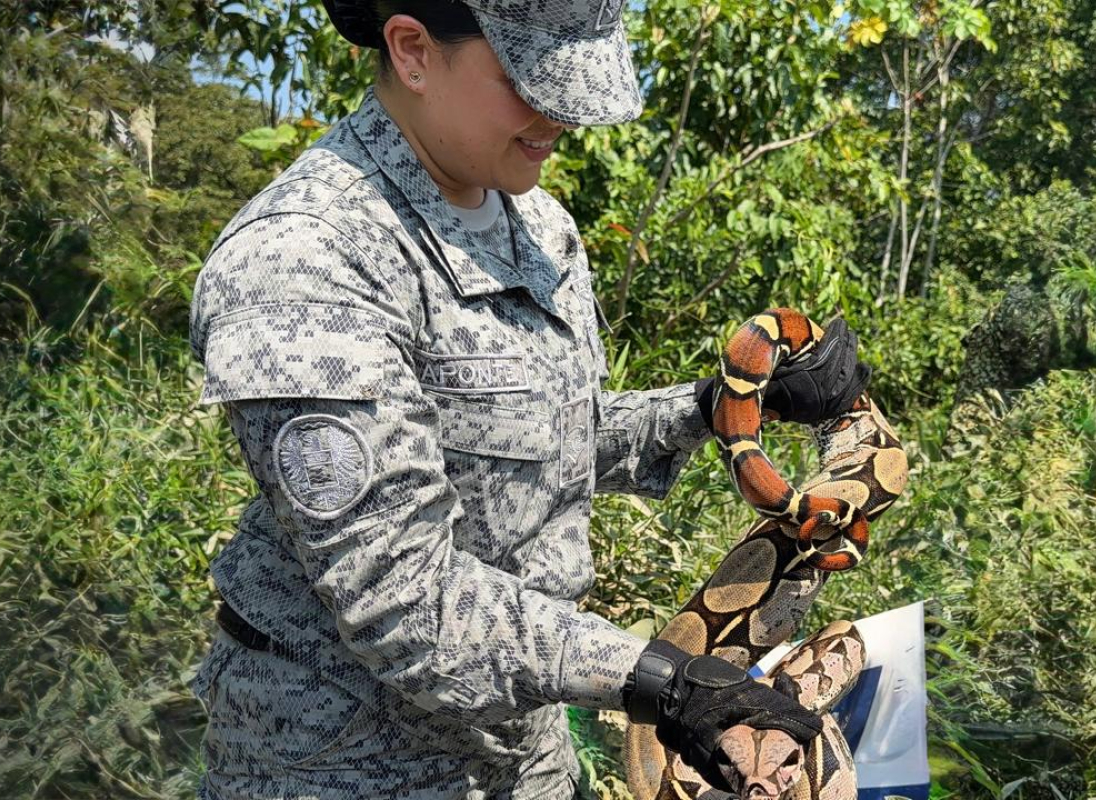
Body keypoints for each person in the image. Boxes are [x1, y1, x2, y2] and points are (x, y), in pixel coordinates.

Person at [187, 1, 870, 797]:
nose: (565, 117)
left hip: (525, 750)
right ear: (412, 50)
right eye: (534, 81)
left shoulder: (538, 226)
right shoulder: (303, 259)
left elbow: (553, 445)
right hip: (342, 760)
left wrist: (722, 404)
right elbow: (401, 595)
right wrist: (666, 681)